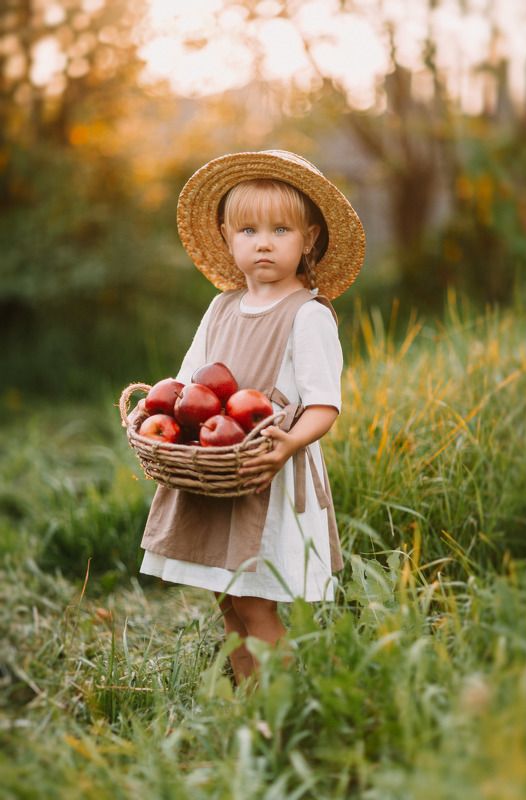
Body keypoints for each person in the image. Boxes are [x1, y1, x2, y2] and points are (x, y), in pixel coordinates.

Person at [136, 150, 365, 685]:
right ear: (226, 236)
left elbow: (323, 404)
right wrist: (168, 431)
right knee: (229, 603)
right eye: (248, 230)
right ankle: (250, 702)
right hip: (216, 474)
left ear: (308, 238)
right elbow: (186, 386)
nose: (263, 242)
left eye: (280, 229)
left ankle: (281, 711)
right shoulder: (220, 309)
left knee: (255, 604)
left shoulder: (307, 315)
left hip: (267, 472)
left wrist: (287, 445)